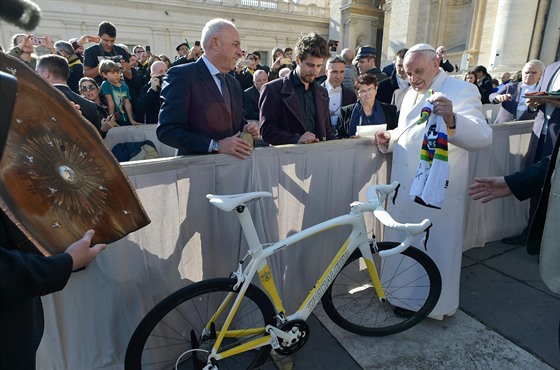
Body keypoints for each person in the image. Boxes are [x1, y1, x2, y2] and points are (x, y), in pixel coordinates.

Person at [375, 44, 492, 320]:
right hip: (404, 190)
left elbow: (483, 136)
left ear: (436, 65)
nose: (413, 78)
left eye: (418, 71)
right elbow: (409, 132)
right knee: (404, 245)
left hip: (436, 193)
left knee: (430, 248)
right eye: (407, 73)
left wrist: (452, 118)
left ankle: (432, 306)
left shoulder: (461, 90)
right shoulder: (408, 95)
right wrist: (389, 139)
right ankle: (399, 296)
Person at [157, 18, 259, 159]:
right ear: (215, 43)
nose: (240, 52)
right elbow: (167, 131)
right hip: (198, 173)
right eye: (235, 45)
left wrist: (246, 130)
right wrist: (216, 145)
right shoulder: (182, 75)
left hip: (234, 172)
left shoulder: (234, 84)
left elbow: (236, 124)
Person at [503, 60, 560, 246]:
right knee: (536, 185)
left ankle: (549, 244)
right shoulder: (551, 68)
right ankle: (530, 234)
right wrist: (534, 103)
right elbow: (538, 105)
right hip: (539, 136)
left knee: (554, 191)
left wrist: (546, 99)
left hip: (556, 139)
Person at [259, 32, 336, 145]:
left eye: (319, 66)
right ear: (298, 60)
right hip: (287, 159)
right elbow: (267, 131)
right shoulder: (272, 89)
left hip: (318, 158)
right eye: (310, 65)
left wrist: (348, 143)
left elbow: (327, 131)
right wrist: (296, 139)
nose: (315, 71)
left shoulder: (322, 92)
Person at [35, 54, 107, 137]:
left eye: (37, 72)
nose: (36, 76)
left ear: (46, 73)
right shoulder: (91, 105)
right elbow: (97, 138)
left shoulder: (40, 100)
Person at [337, 73, 397, 138]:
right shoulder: (345, 112)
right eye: (363, 91)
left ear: (376, 89)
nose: (367, 94)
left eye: (370, 89)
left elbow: (395, 134)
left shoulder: (390, 110)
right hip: (354, 147)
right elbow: (339, 137)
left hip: (382, 148)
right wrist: (350, 140)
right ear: (357, 93)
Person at [99, 59, 140, 126]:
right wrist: (111, 120)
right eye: (112, 73)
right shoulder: (106, 84)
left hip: (124, 117)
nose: (116, 75)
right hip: (115, 118)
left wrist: (131, 119)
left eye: (118, 72)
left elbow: (127, 103)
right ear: (104, 74)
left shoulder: (125, 86)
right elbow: (110, 102)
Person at [321, 55, 357, 130]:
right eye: (334, 72)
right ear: (326, 72)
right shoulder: (315, 92)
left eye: (341, 72)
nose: (338, 76)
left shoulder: (351, 95)